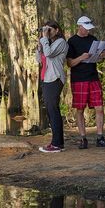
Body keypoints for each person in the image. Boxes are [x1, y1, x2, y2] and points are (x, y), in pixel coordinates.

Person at [66, 16, 105, 149]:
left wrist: (102, 57)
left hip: (93, 77)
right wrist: (81, 57)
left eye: (89, 29)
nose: (88, 31)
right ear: (79, 27)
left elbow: (96, 59)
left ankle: (100, 137)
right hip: (79, 80)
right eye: (86, 29)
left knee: (100, 108)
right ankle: (83, 138)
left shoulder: (93, 39)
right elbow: (70, 63)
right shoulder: (71, 41)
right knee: (80, 110)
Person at [36, 21, 69, 153]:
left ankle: (56, 144)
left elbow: (49, 54)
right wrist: (39, 47)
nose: (47, 33)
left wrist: (44, 38)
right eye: (46, 30)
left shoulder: (61, 42)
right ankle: (57, 143)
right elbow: (40, 60)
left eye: (49, 30)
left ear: (57, 30)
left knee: (53, 110)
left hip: (55, 79)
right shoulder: (48, 43)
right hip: (46, 79)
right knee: (50, 111)